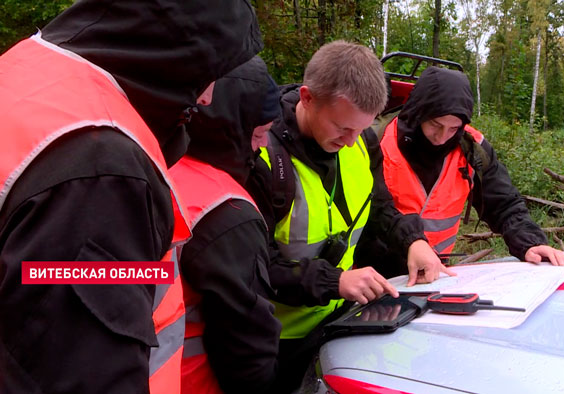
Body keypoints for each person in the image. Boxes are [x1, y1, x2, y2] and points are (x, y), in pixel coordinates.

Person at [0, 1, 261, 393]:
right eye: (209, 75)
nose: (206, 98)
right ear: (169, 54)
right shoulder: (101, 172)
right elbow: (83, 369)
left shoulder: (28, 69)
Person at [246, 40, 454, 393]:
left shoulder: (361, 142)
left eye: (362, 128)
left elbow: (381, 208)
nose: (350, 141)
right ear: (308, 98)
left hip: (340, 323)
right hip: (277, 340)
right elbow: (255, 266)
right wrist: (336, 282)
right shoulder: (263, 157)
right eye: (342, 128)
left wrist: (413, 240)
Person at [355, 66, 564, 280]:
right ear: (417, 112)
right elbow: (375, 209)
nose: (441, 137)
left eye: (453, 128)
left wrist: (531, 243)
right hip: (369, 278)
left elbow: (504, 204)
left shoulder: (473, 150)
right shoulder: (376, 141)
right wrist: (410, 242)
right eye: (435, 124)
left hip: (433, 278)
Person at [170, 56, 282, 394]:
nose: (263, 147)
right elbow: (248, 352)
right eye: (260, 133)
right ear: (231, 127)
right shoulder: (228, 214)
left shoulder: (155, 165)